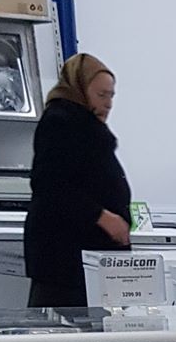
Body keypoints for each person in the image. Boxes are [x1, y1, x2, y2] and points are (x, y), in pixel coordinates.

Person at [24, 53, 132, 309]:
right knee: (60, 326)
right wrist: (102, 217)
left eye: (111, 96)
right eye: (101, 95)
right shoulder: (60, 121)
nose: (108, 104)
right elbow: (50, 185)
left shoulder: (84, 124)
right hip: (65, 256)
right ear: (79, 88)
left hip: (86, 256)